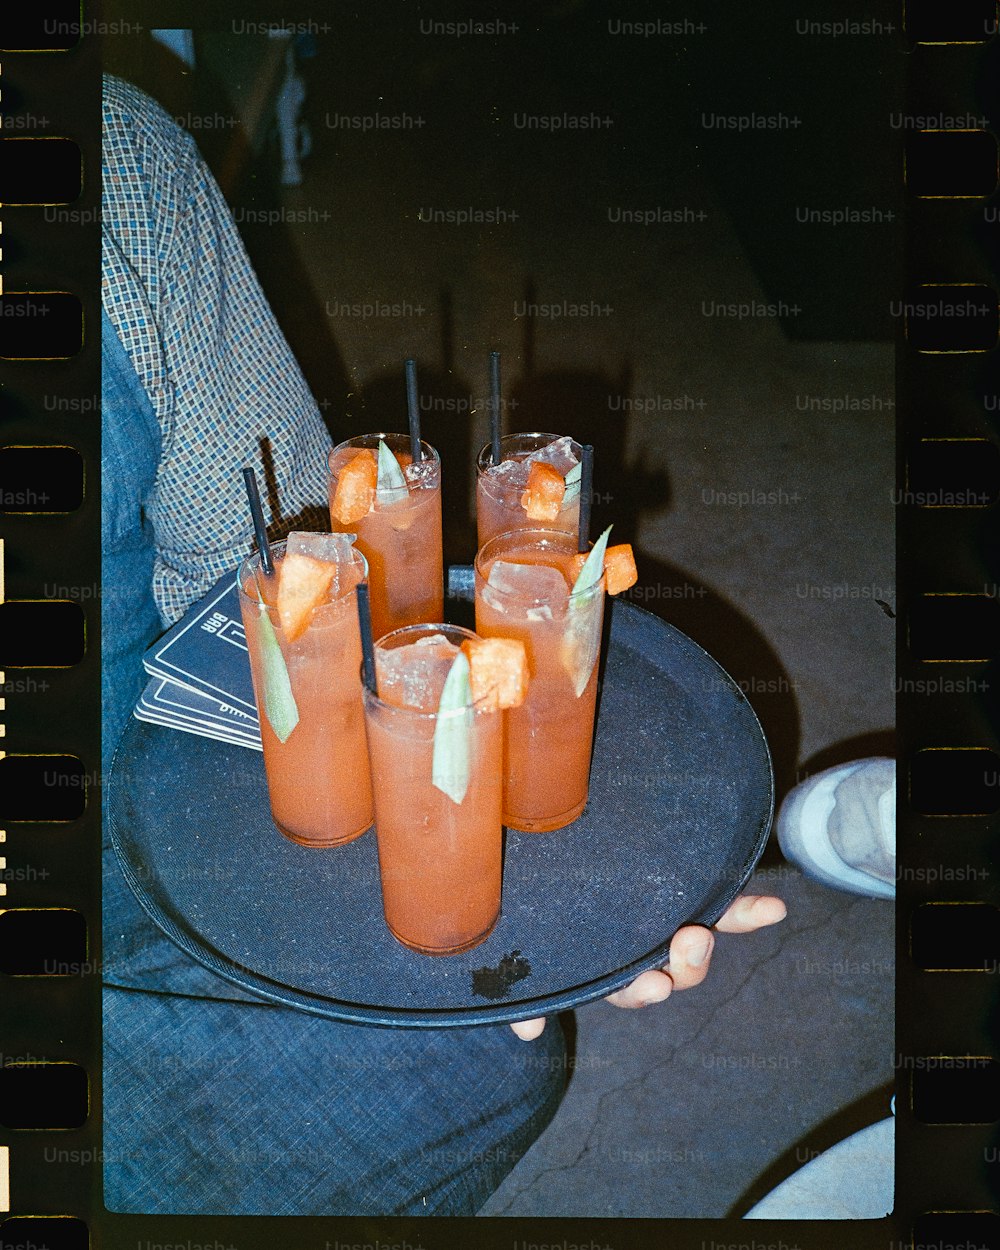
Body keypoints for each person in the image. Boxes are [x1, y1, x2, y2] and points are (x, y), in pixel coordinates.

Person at [101, 72, 786, 1214]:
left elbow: (273, 564)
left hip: (126, 802)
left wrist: (598, 892)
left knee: (481, 1054)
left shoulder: (114, 164)